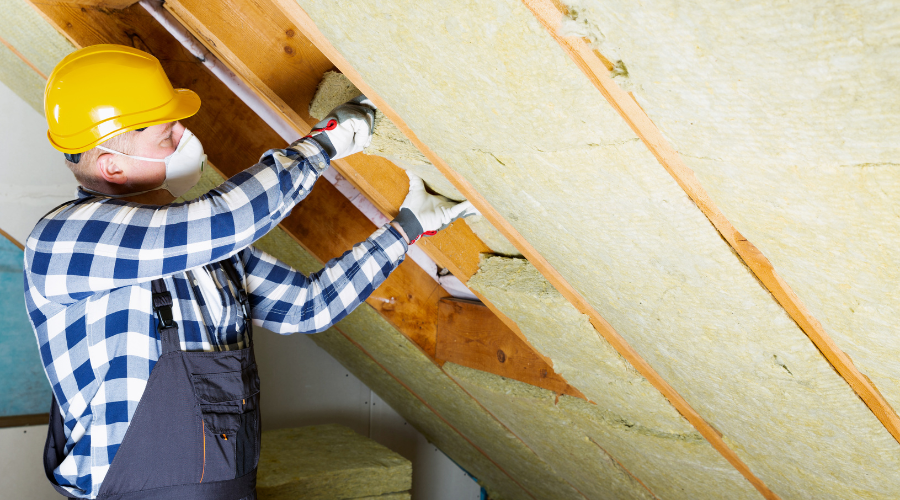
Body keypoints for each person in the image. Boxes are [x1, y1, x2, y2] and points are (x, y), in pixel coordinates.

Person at [26, 44, 476, 500]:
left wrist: (405, 231)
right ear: (113, 166)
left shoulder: (201, 246)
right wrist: (324, 144)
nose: (184, 135)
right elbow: (226, 221)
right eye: (167, 133)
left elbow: (308, 306)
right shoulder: (63, 240)